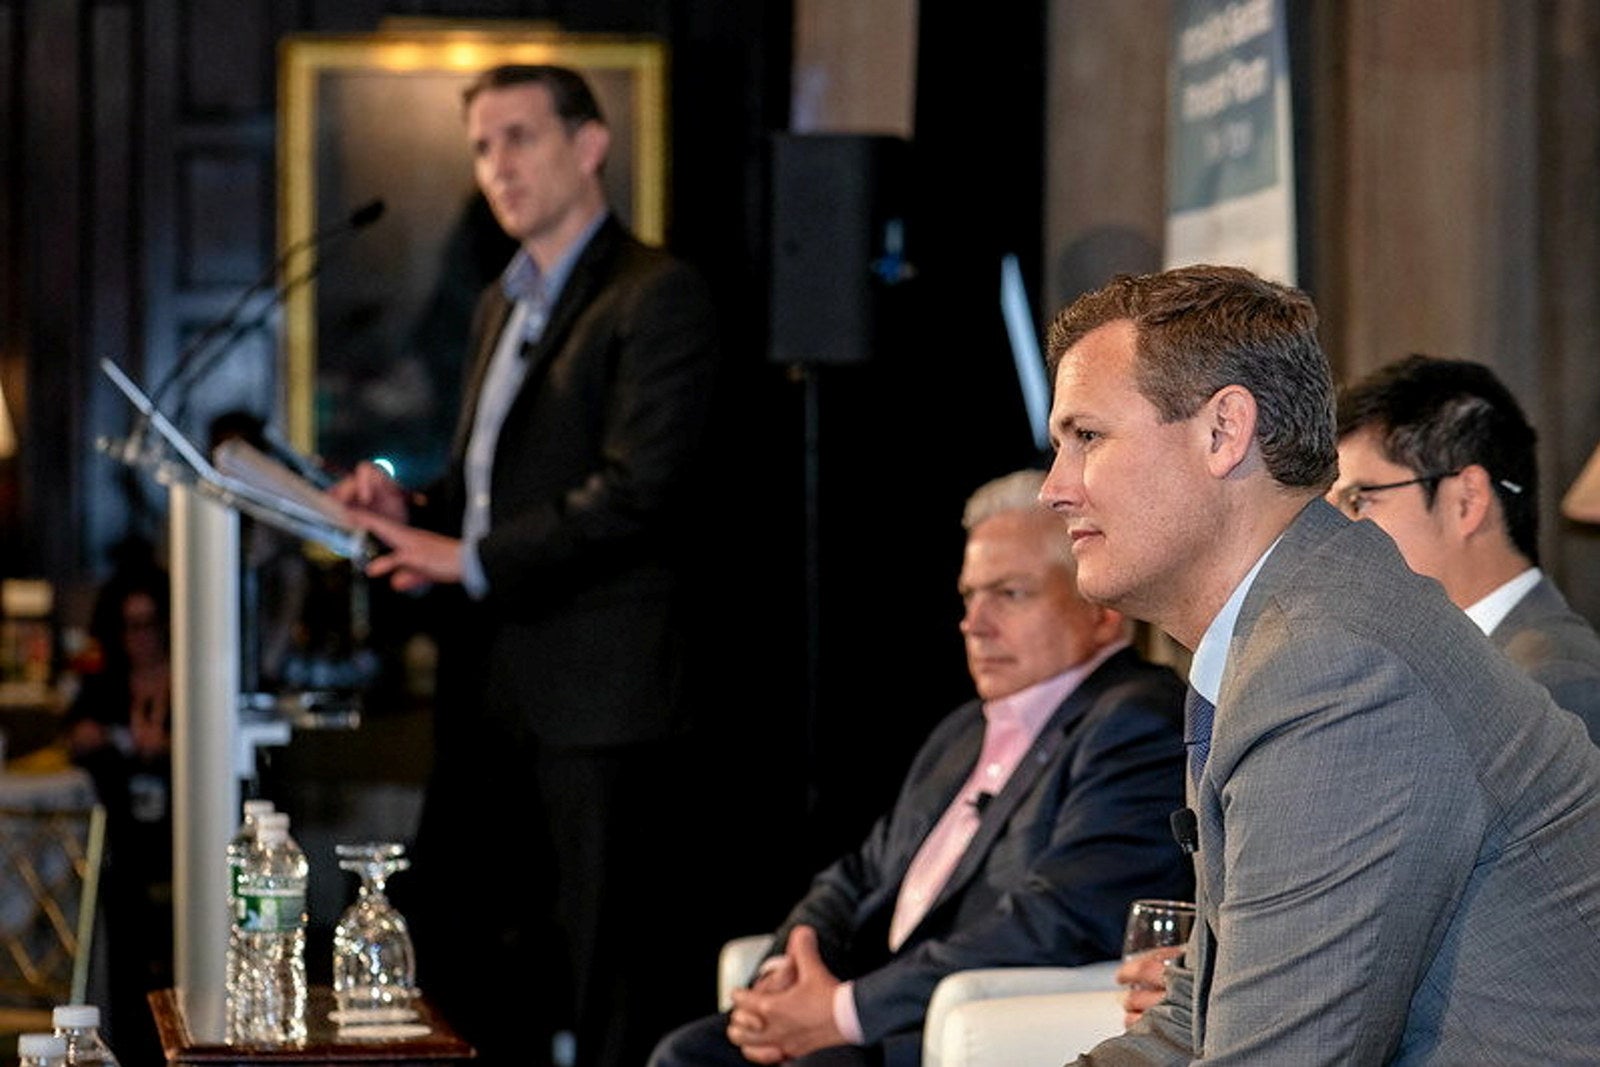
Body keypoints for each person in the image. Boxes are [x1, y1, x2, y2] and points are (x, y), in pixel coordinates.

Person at [1038, 264, 1600, 1064]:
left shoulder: (1334, 663)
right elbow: (1194, 1017)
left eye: (1086, 437)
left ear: (1224, 431)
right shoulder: (1295, 628)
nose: (1054, 489)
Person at [329, 64, 722, 1067]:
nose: (497, 165)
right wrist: (410, 509)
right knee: (470, 970)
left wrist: (466, 555)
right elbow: (487, 492)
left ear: (589, 146)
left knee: (614, 987)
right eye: (481, 146)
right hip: (492, 696)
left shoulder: (656, 294)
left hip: (605, 703)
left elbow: (640, 491)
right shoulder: (496, 307)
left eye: (520, 137)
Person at [648, 469, 1191, 1067]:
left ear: (1101, 611)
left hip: (927, 1027)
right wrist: (786, 971)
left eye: (1009, 594)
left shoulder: (1138, 722)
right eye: (969, 596)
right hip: (870, 1011)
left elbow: (1058, 918)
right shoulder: (962, 730)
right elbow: (859, 874)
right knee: (687, 1052)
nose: (974, 623)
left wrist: (845, 1012)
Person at [1330, 353, 1600, 737]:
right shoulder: (1454, 663)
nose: (1334, 533)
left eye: (1357, 501)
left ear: (1467, 501)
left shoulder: (1554, 681)